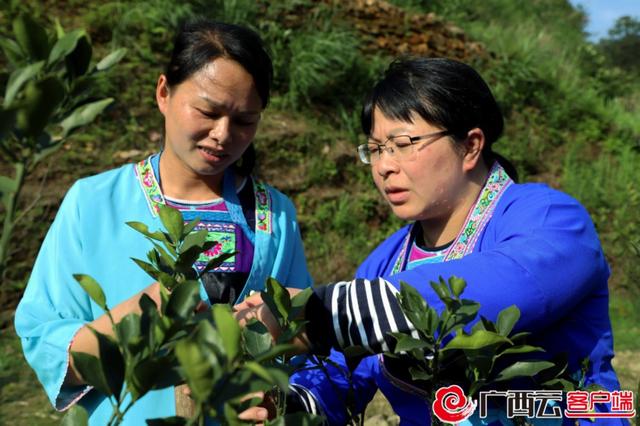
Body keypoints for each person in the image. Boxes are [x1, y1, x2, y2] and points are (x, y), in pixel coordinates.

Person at [235, 57, 624, 425]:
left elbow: (512, 285)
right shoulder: (385, 263)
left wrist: (319, 314)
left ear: (471, 145)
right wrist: (286, 403)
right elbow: (340, 379)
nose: (385, 166)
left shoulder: (551, 219)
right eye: (374, 149)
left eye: (403, 144)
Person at [14, 19, 312, 425]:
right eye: (207, 111)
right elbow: (44, 339)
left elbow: (300, 330)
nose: (223, 135)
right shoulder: (93, 203)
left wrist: (273, 342)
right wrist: (146, 314)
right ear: (163, 93)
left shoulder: (273, 214)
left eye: (244, 121)